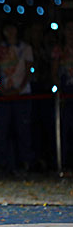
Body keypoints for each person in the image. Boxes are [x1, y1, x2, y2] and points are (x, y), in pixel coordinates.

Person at [0, 22, 34, 176]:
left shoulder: (25, 48)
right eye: (7, 29)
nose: (10, 31)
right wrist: (0, 87)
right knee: (2, 130)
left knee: (22, 130)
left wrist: (19, 89)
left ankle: (24, 163)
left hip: (21, 95)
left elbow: (29, 71)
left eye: (12, 28)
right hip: (4, 94)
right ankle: (4, 165)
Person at [52, 20, 73, 176]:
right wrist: (59, 89)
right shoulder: (59, 50)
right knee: (65, 129)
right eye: (69, 29)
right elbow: (54, 72)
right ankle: (64, 165)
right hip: (66, 92)